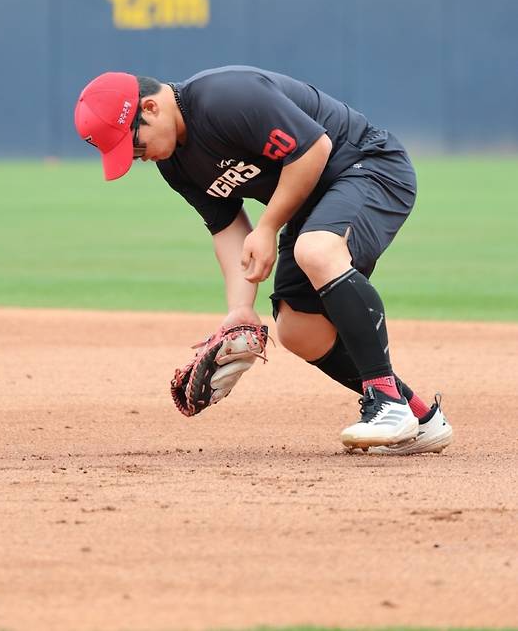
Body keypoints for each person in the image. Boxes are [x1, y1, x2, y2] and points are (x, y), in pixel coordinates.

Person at [74, 66, 452, 454]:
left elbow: (315, 149)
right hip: (314, 204)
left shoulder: (224, 98)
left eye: (133, 145)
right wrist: (240, 309)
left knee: (316, 250)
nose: (137, 158)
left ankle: (386, 402)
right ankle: (420, 418)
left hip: (369, 167)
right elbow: (226, 227)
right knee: (298, 330)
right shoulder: (175, 164)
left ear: (151, 108)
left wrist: (270, 226)